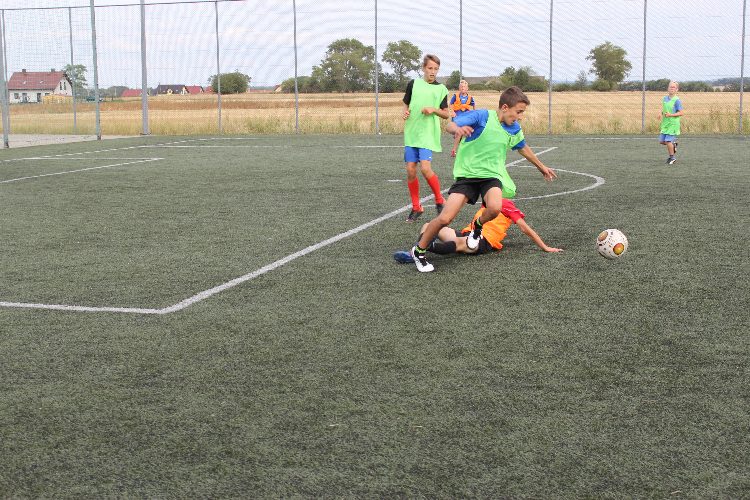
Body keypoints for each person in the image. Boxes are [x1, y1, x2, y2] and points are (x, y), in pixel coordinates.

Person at [409, 86, 557, 273]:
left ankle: (477, 227)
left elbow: (522, 147)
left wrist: (541, 167)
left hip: (491, 176)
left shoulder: (514, 128)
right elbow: (449, 125)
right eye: (519, 112)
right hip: (467, 176)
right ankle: (419, 251)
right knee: (445, 218)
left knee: (494, 208)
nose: (520, 117)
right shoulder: (482, 116)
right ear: (505, 107)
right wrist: (458, 129)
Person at [393, 198, 562, 263]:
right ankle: (418, 252)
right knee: (429, 226)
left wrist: (545, 247)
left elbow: (525, 228)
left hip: (483, 241)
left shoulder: (506, 205)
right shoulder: (488, 201)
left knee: (458, 244)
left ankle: (416, 252)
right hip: (468, 234)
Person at [402, 54, 452, 222]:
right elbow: (406, 103)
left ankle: (439, 199)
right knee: (410, 170)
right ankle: (416, 207)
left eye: (436, 69)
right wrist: (405, 112)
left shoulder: (441, 89)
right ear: (423, 68)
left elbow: (446, 114)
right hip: (412, 132)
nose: (433, 72)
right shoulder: (413, 84)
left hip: (428, 134)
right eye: (430, 68)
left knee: (425, 168)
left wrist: (433, 109)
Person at [449, 80, 476, 157]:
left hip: (466, 117)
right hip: (457, 116)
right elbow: (450, 104)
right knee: (458, 133)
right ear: (459, 88)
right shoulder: (455, 96)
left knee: (466, 133)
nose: (463, 88)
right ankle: (454, 150)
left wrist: (474, 113)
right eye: (461, 87)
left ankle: (464, 150)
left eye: (464, 87)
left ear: (467, 88)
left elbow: (474, 105)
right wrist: (452, 112)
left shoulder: (470, 97)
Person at [660, 81, 684, 165]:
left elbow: (681, 113)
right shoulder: (664, 99)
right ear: (668, 88)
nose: (671, 88)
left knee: (668, 141)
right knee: (662, 141)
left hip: (673, 124)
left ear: (677, 89)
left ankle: (672, 158)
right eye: (670, 87)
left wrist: (671, 115)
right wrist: (661, 114)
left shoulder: (677, 100)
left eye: (673, 87)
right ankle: (673, 144)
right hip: (665, 123)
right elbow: (665, 110)